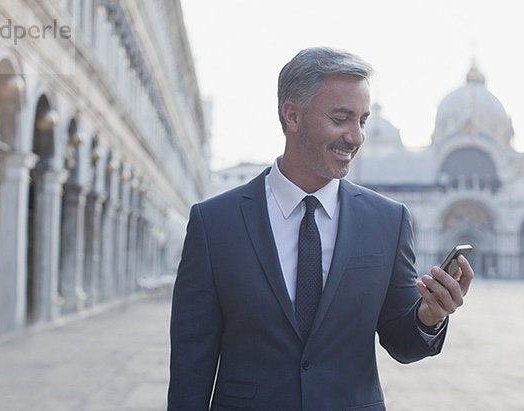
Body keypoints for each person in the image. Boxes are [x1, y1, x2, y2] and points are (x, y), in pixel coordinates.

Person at [168, 47, 474, 411]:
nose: (356, 136)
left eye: (362, 120)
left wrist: (430, 315)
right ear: (293, 115)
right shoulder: (214, 223)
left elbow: (401, 341)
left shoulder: (388, 221)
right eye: (341, 118)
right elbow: (191, 361)